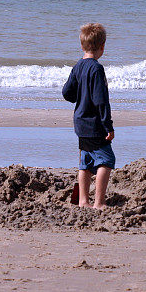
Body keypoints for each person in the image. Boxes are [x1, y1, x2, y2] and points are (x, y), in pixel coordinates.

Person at [62, 23, 115, 209]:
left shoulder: (78, 66)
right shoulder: (96, 69)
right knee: (107, 160)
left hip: (80, 121)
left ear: (82, 45)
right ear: (102, 46)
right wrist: (108, 125)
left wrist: (81, 94)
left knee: (85, 161)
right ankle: (99, 202)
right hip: (94, 123)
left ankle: (83, 201)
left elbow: (67, 92)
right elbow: (101, 101)